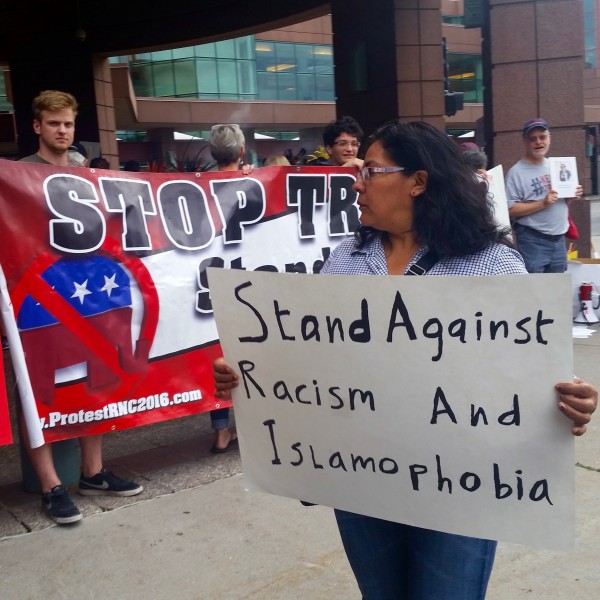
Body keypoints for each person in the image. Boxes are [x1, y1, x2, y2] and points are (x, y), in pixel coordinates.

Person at [212, 120, 598, 599]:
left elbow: (524, 368)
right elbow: (309, 366)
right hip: (362, 479)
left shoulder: (493, 266)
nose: (356, 182)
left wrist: (569, 398)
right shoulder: (344, 262)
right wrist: (248, 376)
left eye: (371, 171)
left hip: (463, 489)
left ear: (419, 181)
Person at [19, 89, 143, 524]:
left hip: (88, 295)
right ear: (37, 126)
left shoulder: (87, 175)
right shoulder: (17, 175)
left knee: (95, 379)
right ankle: (52, 486)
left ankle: (92, 472)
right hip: (37, 302)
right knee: (37, 392)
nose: (62, 131)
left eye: (68, 123)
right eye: (54, 123)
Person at [205, 123, 253, 453]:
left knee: (215, 358)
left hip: (209, 283)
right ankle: (251, 427)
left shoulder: (193, 186)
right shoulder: (252, 184)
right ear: (241, 152)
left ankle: (221, 432)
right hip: (247, 286)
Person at [505, 118, 583, 273]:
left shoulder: (555, 166)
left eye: (543, 137)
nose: (538, 142)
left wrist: (571, 197)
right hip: (533, 240)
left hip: (559, 239)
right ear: (525, 141)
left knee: (556, 290)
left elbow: (560, 203)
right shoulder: (516, 172)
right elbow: (510, 209)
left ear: (549, 138)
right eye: (532, 138)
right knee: (535, 291)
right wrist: (543, 203)